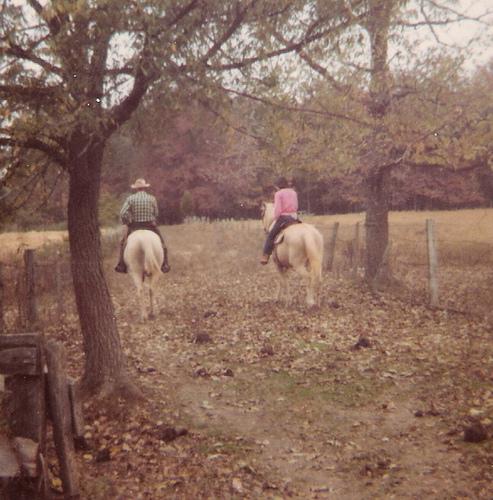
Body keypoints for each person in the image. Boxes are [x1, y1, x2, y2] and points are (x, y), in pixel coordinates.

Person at [114, 178, 171, 273]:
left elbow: (122, 213)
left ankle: (121, 265)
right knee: (162, 243)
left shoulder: (131, 199)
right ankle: (165, 264)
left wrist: (127, 221)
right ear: (145, 188)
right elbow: (156, 213)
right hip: (150, 225)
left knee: (123, 243)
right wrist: (151, 218)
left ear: (136, 188)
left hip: (135, 226)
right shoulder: (151, 198)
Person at [260, 176, 299, 265]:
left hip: (284, 218)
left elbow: (278, 210)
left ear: (278, 186)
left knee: (271, 235)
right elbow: (296, 206)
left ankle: (265, 255)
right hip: (294, 217)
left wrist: (276, 217)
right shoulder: (294, 192)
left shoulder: (278, 194)